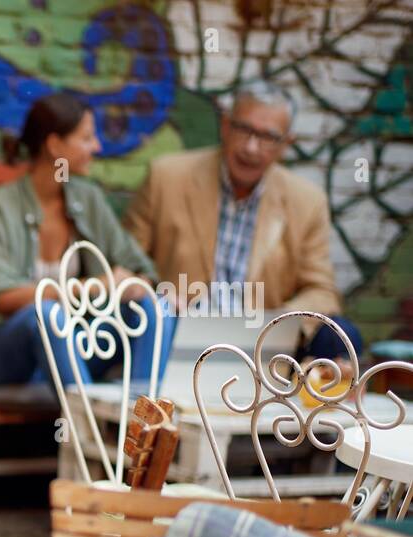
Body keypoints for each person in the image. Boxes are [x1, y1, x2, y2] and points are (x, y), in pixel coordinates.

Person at [0, 92, 174, 389]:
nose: (97, 146)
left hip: (74, 354)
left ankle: (141, 422)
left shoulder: (88, 200)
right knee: (48, 315)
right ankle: (84, 429)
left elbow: (142, 269)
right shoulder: (0, 206)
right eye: (87, 138)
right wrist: (92, 288)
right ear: (54, 145)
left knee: (155, 307)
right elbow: (1, 298)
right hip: (3, 357)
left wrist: (136, 286)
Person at [123, 79, 354, 359]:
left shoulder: (307, 201)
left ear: (285, 144)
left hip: (263, 344)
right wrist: (161, 299)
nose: (251, 148)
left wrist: (279, 324)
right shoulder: (166, 178)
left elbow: (322, 291)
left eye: (268, 137)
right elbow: (126, 267)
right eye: (244, 130)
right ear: (225, 126)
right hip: (177, 330)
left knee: (340, 333)